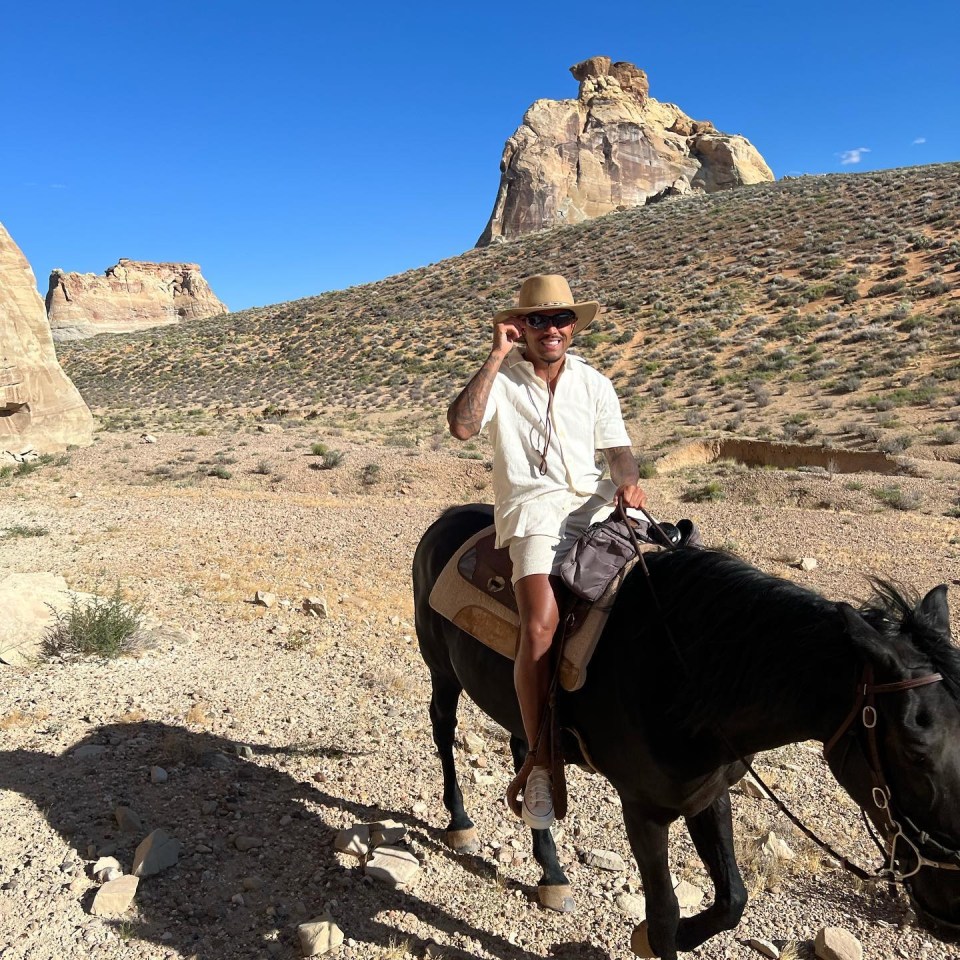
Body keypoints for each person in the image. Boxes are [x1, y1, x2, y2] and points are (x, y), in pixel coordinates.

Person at [447, 274, 647, 829]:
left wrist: (629, 482)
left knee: (667, 578)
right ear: (521, 326)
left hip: (595, 505)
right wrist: (495, 355)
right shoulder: (503, 381)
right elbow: (462, 427)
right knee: (540, 624)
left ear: (574, 327)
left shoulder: (595, 384)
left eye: (560, 319)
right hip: (534, 513)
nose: (551, 329)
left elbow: (620, 453)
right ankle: (540, 757)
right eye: (537, 320)